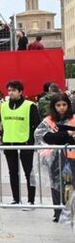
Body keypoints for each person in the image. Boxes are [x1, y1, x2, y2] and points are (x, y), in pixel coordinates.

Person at [34, 92, 75, 222]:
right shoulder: (48, 121)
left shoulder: (73, 118)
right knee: (56, 186)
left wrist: (60, 136)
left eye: (64, 104)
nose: (62, 107)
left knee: (71, 186)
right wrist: (67, 134)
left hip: (72, 157)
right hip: (55, 159)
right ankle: (58, 212)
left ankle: (71, 212)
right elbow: (45, 137)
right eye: (58, 105)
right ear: (54, 106)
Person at [0, 80, 40, 207]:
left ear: (20, 92)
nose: (10, 93)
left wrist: (31, 141)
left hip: (25, 143)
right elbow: (3, 124)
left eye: (13, 90)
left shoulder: (30, 105)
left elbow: (37, 125)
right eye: (9, 90)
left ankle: (31, 200)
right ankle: (16, 199)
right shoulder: (4, 106)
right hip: (8, 142)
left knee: (29, 172)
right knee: (13, 172)